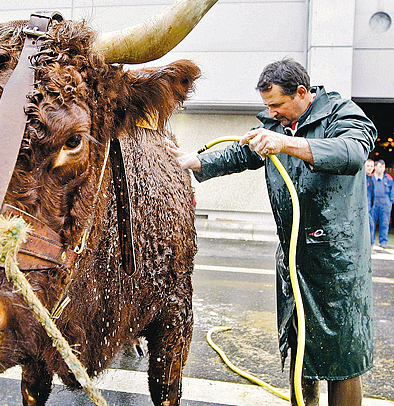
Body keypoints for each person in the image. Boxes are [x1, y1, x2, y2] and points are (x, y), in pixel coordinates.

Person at [168, 59, 376, 406]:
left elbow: (353, 152)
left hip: (339, 260)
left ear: (301, 93)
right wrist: (194, 161)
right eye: (267, 107)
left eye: (277, 105)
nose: (272, 113)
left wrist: (284, 144)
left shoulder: (341, 112)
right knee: (300, 344)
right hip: (295, 255)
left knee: (344, 355)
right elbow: (241, 152)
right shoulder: (275, 122)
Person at [369, 159, 394, 252]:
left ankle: (383, 242)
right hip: (373, 202)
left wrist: (390, 202)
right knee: (372, 223)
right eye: (380, 166)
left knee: (385, 223)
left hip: (385, 202)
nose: (382, 169)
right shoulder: (370, 177)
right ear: (375, 167)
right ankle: (371, 241)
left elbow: (392, 191)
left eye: (383, 167)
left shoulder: (389, 178)